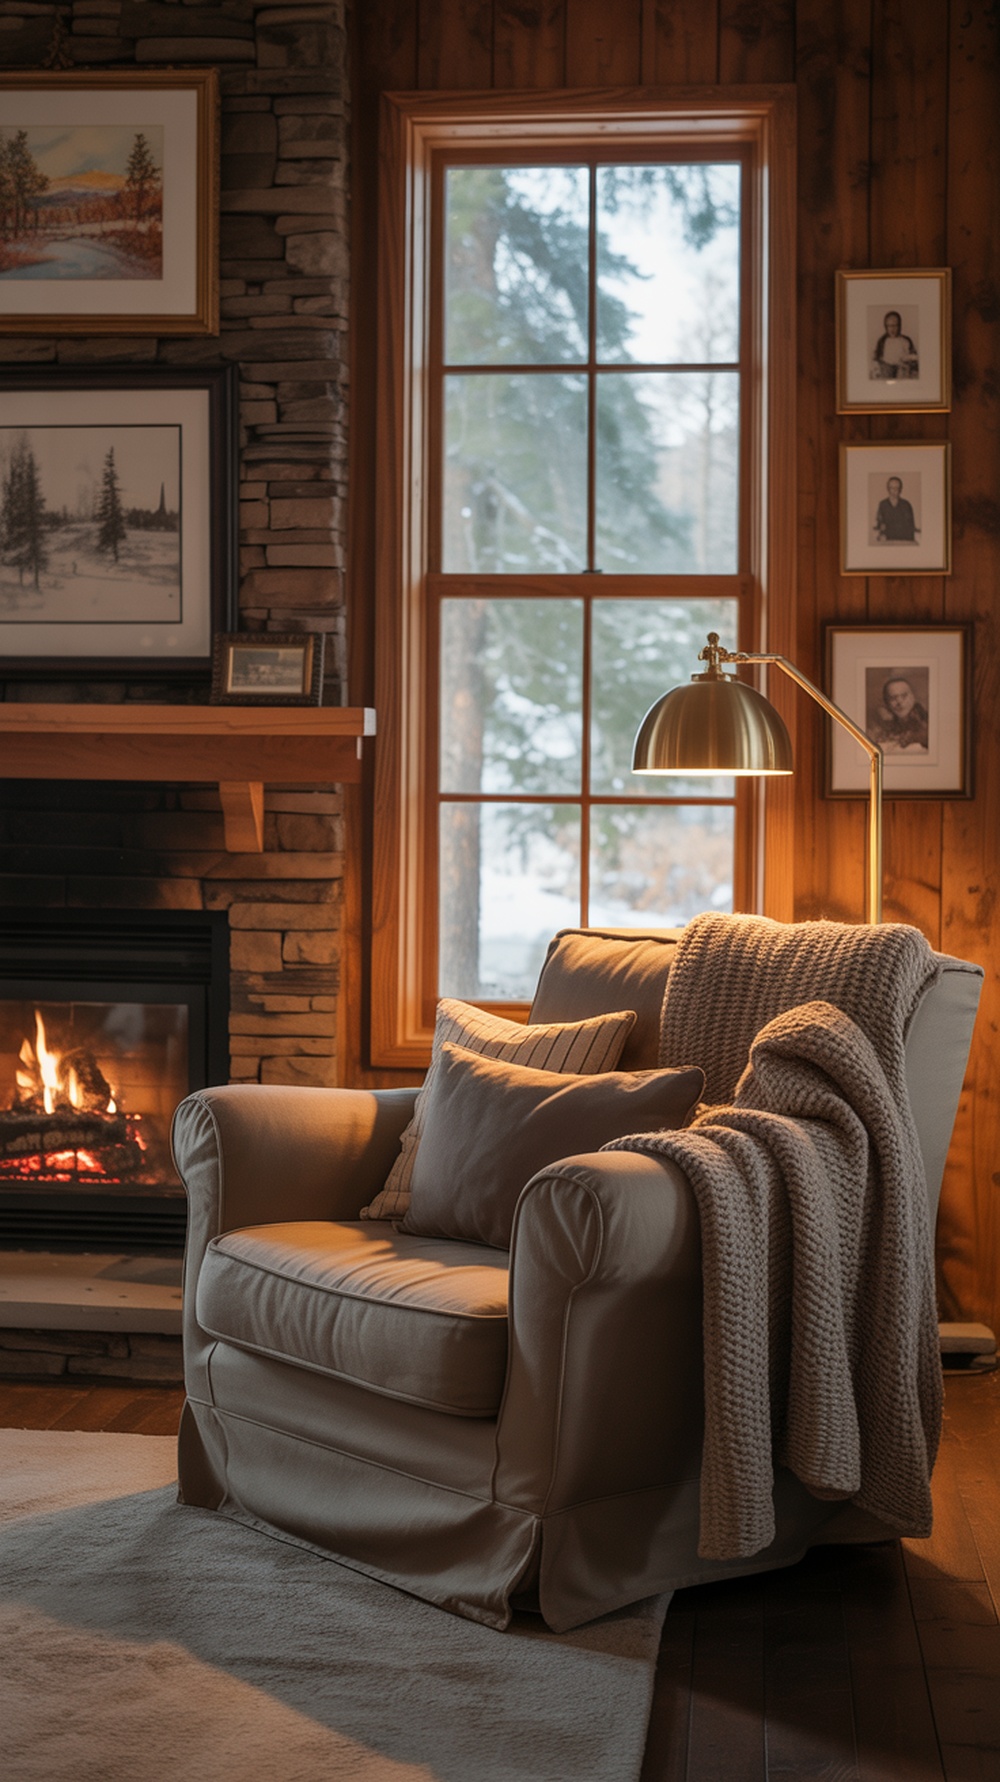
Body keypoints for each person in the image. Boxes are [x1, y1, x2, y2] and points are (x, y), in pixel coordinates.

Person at [870, 675, 929, 752]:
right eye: (893, 698)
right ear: (887, 703)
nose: (899, 702)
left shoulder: (928, 724)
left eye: (904, 696)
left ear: (913, 697)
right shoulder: (885, 728)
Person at [871, 309, 918, 379]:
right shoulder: (882, 341)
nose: (892, 329)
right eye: (889, 326)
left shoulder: (906, 340)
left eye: (895, 326)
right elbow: (876, 358)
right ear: (886, 326)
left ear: (899, 326)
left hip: (902, 369)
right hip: (886, 370)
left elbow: (914, 358)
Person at [874, 475, 918, 543]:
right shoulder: (883, 504)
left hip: (904, 540)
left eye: (897, 488)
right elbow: (880, 524)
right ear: (888, 489)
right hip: (887, 541)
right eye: (892, 488)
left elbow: (910, 527)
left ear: (900, 489)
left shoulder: (906, 505)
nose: (894, 491)